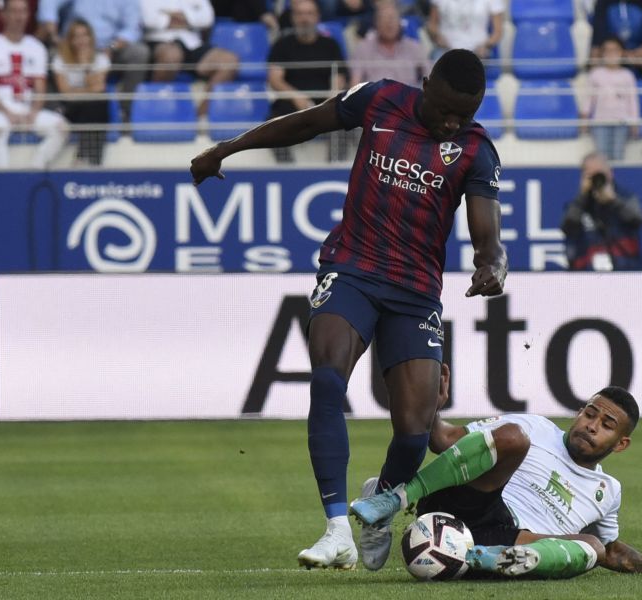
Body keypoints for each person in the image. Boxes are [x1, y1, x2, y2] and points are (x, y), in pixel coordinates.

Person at [189, 48, 507, 571]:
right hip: (352, 269)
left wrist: (492, 265)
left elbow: (488, 237)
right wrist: (227, 149)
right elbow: (305, 122)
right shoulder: (381, 99)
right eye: (446, 110)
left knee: (413, 428)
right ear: (425, 85)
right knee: (327, 377)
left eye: (464, 114)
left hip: (415, 292)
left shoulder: (475, 150)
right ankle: (337, 526)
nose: (453, 122)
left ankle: (378, 507)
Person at [350, 364, 642, 577]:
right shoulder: (537, 427)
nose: (590, 425)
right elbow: (445, 441)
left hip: (513, 540)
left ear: (621, 443)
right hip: (474, 505)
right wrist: (433, 406)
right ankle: (393, 500)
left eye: (606, 423)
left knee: (593, 547)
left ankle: (493, 561)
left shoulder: (609, 491)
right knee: (513, 438)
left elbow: (614, 551)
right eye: (589, 413)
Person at [37, 0, 150, 120]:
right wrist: (53, 33)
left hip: (111, 48)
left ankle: (125, 109)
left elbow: (132, 28)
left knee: (139, 52)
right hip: (71, 45)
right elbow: (49, 3)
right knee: (47, 55)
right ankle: (55, 111)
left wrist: (112, 47)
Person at [266, 0, 347, 162]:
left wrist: (327, 104)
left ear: (317, 17)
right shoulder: (282, 45)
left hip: (325, 102)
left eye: (309, 13)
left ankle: (334, 167)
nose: (305, 18)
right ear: (293, 18)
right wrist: (297, 97)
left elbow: (338, 79)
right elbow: (275, 79)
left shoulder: (330, 45)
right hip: (291, 103)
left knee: (347, 118)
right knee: (271, 125)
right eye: (300, 14)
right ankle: (286, 170)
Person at [0, 0, 67, 169]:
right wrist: (7, 112)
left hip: (27, 109)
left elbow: (39, 87)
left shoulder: (36, 47)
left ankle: (34, 170)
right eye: (13, 11)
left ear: (28, 14)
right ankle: (3, 179)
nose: (18, 17)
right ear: (2, 14)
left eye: (23, 11)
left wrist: (34, 111)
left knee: (61, 128)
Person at [141, 0, 239, 115]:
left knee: (229, 61)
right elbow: (147, 20)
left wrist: (175, 16)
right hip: (158, 40)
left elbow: (207, 18)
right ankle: (156, 110)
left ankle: (199, 117)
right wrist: (187, 18)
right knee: (171, 56)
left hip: (191, 42)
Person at [560, 152, 642, 271]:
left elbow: (638, 219)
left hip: (624, 271)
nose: (597, 180)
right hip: (585, 274)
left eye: (600, 174)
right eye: (591, 175)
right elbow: (567, 226)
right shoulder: (577, 204)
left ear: (610, 173)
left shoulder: (626, 197)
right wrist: (582, 197)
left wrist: (614, 201)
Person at [589, 0, 642, 117]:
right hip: (612, 51)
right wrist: (622, 53)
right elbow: (598, 40)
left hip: (640, 53)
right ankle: (593, 110)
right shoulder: (602, 3)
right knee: (595, 53)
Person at [52, 18, 110, 165]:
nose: (81, 40)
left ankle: (83, 159)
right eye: (76, 36)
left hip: (90, 110)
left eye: (84, 35)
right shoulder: (60, 60)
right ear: (70, 40)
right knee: (95, 104)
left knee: (97, 104)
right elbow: (65, 93)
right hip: (70, 109)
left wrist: (85, 66)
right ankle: (92, 163)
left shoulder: (101, 59)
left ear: (91, 37)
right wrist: (88, 90)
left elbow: (99, 88)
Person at [349, 0, 429, 88]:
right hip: (375, 99)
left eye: (393, 18)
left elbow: (429, 78)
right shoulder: (363, 48)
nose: (389, 23)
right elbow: (354, 86)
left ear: (400, 22)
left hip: (408, 98)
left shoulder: (413, 46)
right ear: (376, 23)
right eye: (384, 19)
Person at [585, 37, 640, 162]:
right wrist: (585, 117)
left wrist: (634, 122)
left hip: (621, 122)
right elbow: (589, 98)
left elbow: (632, 100)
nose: (611, 54)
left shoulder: (627, 75)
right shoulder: (596, 74)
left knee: (618, 156)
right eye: (607, 51)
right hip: (600, 122)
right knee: (601, 157)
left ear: (622, 52)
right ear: (602, 53)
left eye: (615, 50)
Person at [426, 0, 503, 61]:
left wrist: (485, 46)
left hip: (478, 51)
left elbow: (498, 32)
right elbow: (432, 25)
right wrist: (437, 38)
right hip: (445, 50)